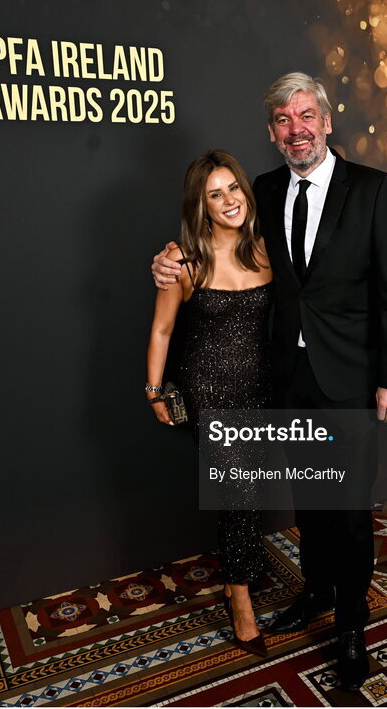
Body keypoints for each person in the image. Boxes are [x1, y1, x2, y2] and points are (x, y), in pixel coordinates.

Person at [152, 73, 387, 689]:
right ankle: (317, 592)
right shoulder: (262, 191)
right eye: (283, 121)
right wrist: (167, 258)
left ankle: (351, 625)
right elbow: (209, 236)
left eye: (305, 116)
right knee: (311, 505)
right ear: (272, 133)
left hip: (350, 380)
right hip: (286, 379)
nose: (296, 129)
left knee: (348, 511)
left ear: (326, 120)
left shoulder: (374, 190)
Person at [146, 149, 273, 658]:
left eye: (233, 188)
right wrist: (154, 389)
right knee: (239, 494)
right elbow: (161, 328)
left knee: (253, 489)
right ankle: (240, 600)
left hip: (263, 390)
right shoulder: (183, 260)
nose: (228, 200)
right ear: (200, 205)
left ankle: (238, 571)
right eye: (214, 194)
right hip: (209, 393)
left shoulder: (268, 249)